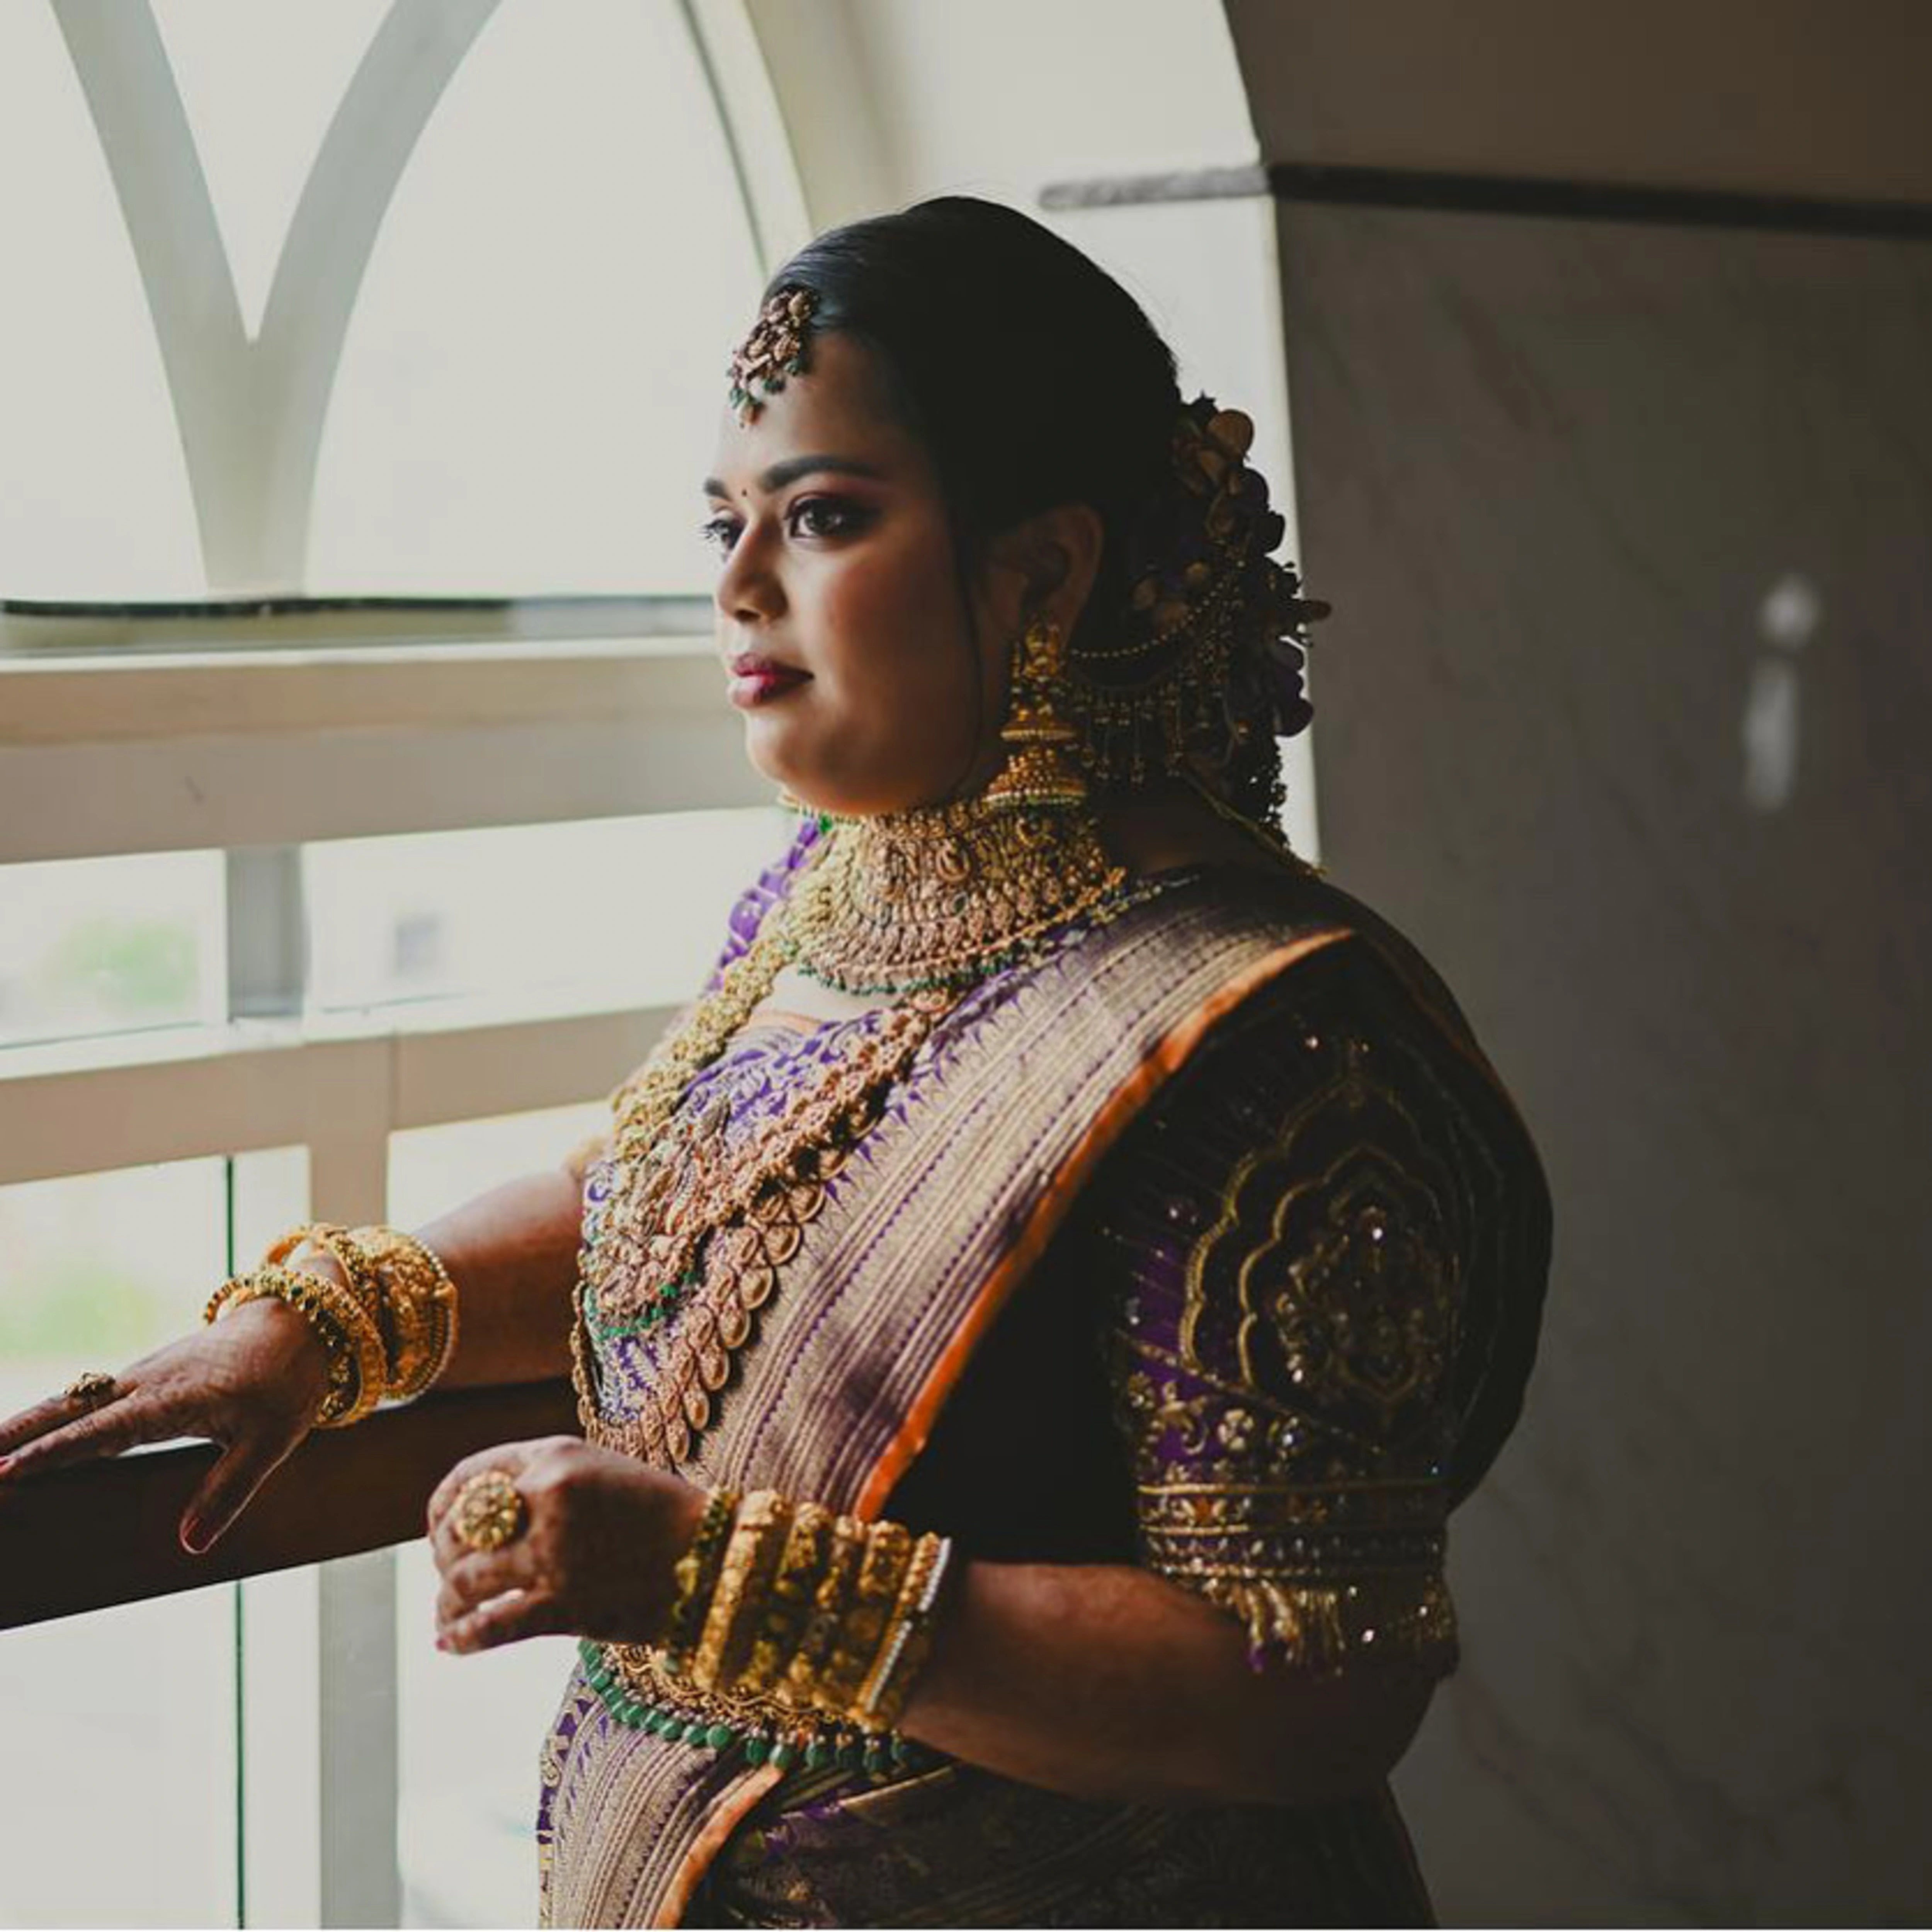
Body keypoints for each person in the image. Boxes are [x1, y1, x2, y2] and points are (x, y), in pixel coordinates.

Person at [0, 196, 1551, 1927]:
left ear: (1044, 568)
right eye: (727, 520)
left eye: (821, 516)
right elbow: (682, 1199)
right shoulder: (837, 892)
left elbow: (1311, 1685)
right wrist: (332, 1323)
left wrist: (705, 1573)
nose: (736, 583)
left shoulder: (1261, 1040)